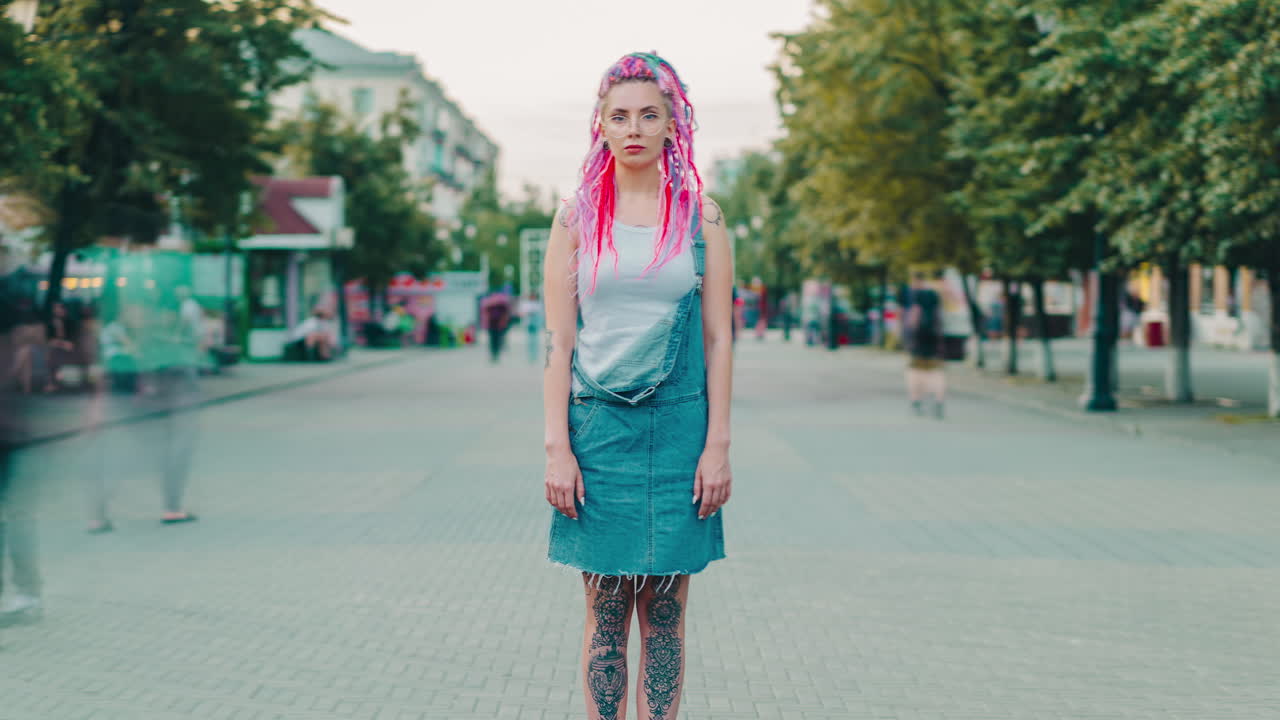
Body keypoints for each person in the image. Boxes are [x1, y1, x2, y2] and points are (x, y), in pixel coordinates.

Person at [542, 52, 733, 720]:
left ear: (671, 123)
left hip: (679, 433)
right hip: (597, 434)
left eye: (649, 114)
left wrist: (717, 446)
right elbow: (559, 344)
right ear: (600, 122)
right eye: (619, 114)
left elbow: (718, 341)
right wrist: (556, 449)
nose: (634, 128)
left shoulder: (701, 218)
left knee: (665, 621)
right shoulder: (574, 221)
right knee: (606, 617)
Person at [905, 271, 946, 418]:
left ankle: (916, 400)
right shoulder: (935, 297)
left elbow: (914, 315)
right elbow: (940, 318)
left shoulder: (918, 296)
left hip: (919, 338)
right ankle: (939, 400)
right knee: (936, 372)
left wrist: (910, 335)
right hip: (934, 337)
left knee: (915, 371)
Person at [482, 293, 512, 363]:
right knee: (492, 341)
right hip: (491, 325)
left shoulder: (502, 306)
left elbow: (506, 314)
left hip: (499, 326)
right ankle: (493, 354)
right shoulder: (489, 306)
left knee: (498, 340)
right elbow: (485, 314)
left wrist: (503, 323)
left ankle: (496, 354)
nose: (495, 299)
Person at [517, 292, 543, 365]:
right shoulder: (526, 304)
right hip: (528, 323)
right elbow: (521, 313)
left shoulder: (537, 304)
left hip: (535, 323)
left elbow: (540, 313)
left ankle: (534, 355)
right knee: (529, 340)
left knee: (535, 340)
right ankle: (530, 355)